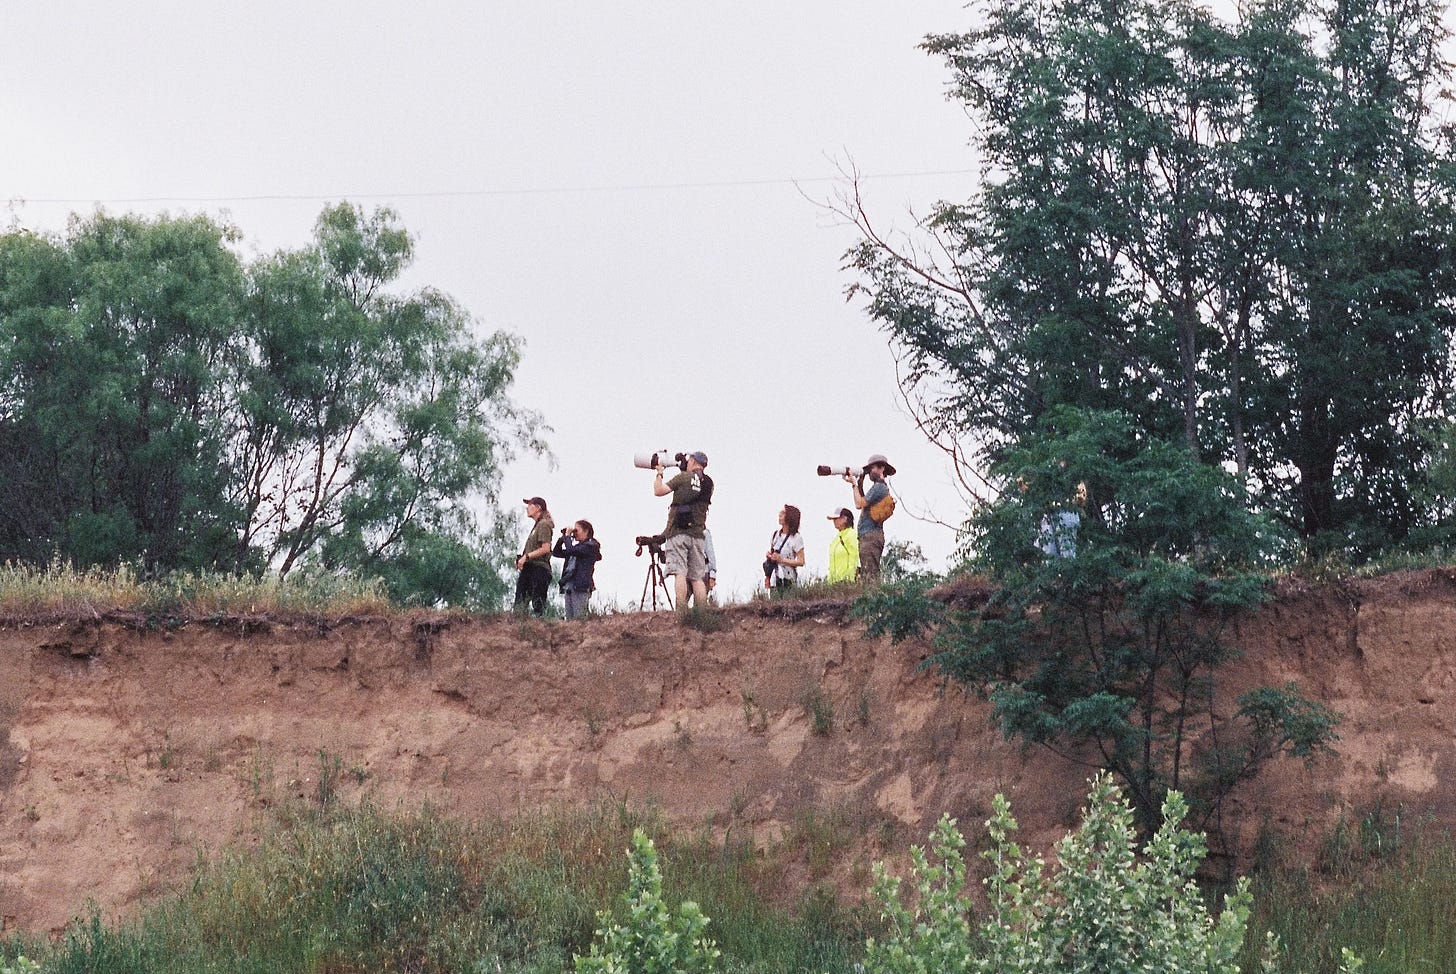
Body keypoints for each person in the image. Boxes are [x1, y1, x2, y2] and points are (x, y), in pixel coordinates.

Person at [653, 451, 713, 609]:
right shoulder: (708, 482)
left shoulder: (683, 478)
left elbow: (658, 491)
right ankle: (701, 612)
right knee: (697, 577)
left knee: (679, 572)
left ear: (692, 461)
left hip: (678, 533)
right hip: (698, 535)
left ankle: (681, 610)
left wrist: (659, 473)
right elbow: (694, 488)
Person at [844, 454, 895, 580]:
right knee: (869, 572)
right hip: (870, 535)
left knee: (870, 574)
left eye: (873, 468)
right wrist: (859, 485)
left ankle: (873, 598)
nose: (871, 472)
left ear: (882, 468)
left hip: (870, 535)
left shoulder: (879, 487)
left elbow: (859, 504)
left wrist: (854, 485)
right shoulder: (879, 487)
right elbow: (864, 503)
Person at [552, 519, 602, 619]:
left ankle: (582, 635)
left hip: (580, 586)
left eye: (576, 530)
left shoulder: (591, 546)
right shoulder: (576, 548)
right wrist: (563, 538)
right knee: (570, 620)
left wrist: (567, 537)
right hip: (569, 585)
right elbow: (556, 552)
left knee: (579, 619)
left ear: (586, 531)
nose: (575, 534)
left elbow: (571, 550)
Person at [514, 496, 555, 615]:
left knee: (538, 605)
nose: (527, 508)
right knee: (520, 603)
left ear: (538, 508)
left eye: (530, 505)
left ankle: (538, 629)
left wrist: (526, 557)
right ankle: (520, 628)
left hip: (539, 568)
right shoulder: (537, 526)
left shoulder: (544, 525)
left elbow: (545, 548)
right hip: (530, 567)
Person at [764, 504, 805, 591]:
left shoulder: (796, 537)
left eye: (783, 513)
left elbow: (801, 561)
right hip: (775, 578)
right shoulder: (776, 535)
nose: (779, 515)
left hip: (788, 579)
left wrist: (782, 560)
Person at [826, 507, 859, 584]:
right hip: (834, 582)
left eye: (836, 519)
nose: (834, 521)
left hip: (845, 581)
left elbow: (854, 556)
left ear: (845, 519)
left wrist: (849, 578)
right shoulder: (837, 538)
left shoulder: (851, 534)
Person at [703, 528, 718, 602]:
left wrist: (712, 575)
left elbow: (710, 554)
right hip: (688, 572)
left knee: (700, 602)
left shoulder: (705, 533)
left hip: (704, 571)